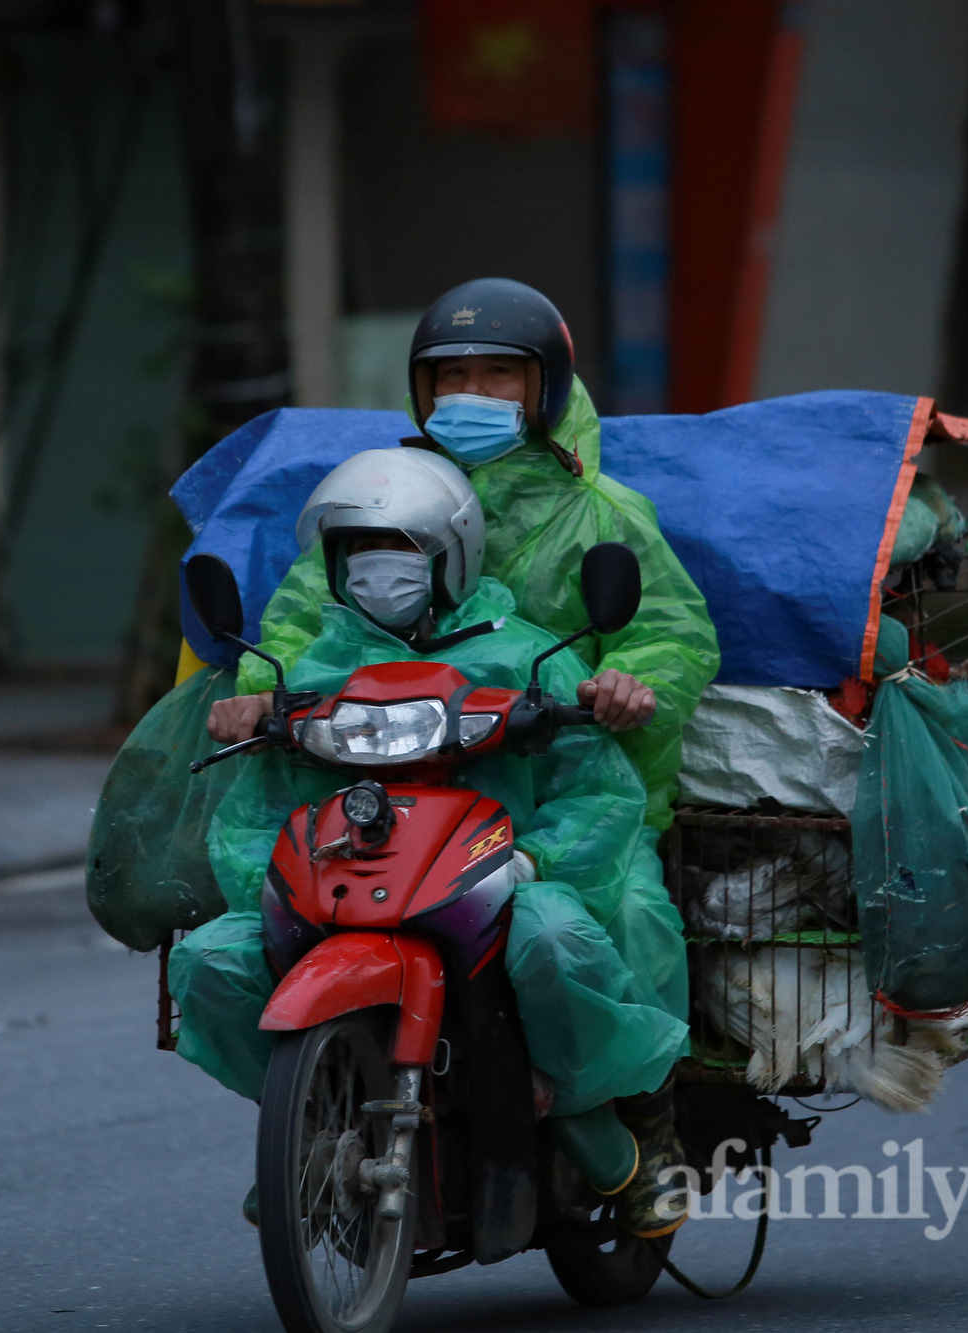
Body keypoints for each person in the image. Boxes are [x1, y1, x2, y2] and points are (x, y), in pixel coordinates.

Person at [173, 448, 691, 1238]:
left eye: (404, 551)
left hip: (502, 878)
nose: (381, 570)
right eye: (359, 552)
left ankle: (587, 1116)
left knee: (554, 937)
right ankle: (307, 1129)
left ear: (451, 557)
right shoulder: (307, 672)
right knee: (212, 958)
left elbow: (597, 796)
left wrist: (532, 861)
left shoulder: (527, 656)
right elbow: (255, 816)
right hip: (348, 889)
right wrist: (275, 879)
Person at [210, 278, 718, 837]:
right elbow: (304, 617)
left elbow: (670, 633)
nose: (471, 392)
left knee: (587, 921)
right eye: (452, 375)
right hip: (368, 779)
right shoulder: (378, 500)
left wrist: (631, 681)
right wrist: (261, 692)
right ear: (425, 390)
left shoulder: (603, 515)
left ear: (544, 385)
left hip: (558, 792)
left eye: (498, 373)